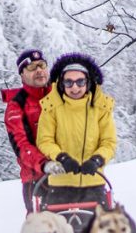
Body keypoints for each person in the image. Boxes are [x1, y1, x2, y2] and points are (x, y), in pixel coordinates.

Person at [36, 52, 117, 207]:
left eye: (80, 82)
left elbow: (109, 142)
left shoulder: (101, 109)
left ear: (88, 82)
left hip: (94, 183)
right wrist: (62, 158)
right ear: (61, 84)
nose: (74, 87)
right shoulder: (51, 108)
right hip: (60, 185)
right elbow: (45, 140)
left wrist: (97, 159)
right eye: (69, 82)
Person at [2, 48, 52, 213]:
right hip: (37, 180)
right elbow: (21, 145)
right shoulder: (16, 106)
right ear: (22, 75)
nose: (39, 71)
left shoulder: (62, 95)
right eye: (32, 68)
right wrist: (44, 164)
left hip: (70, 174)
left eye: (41, 65)